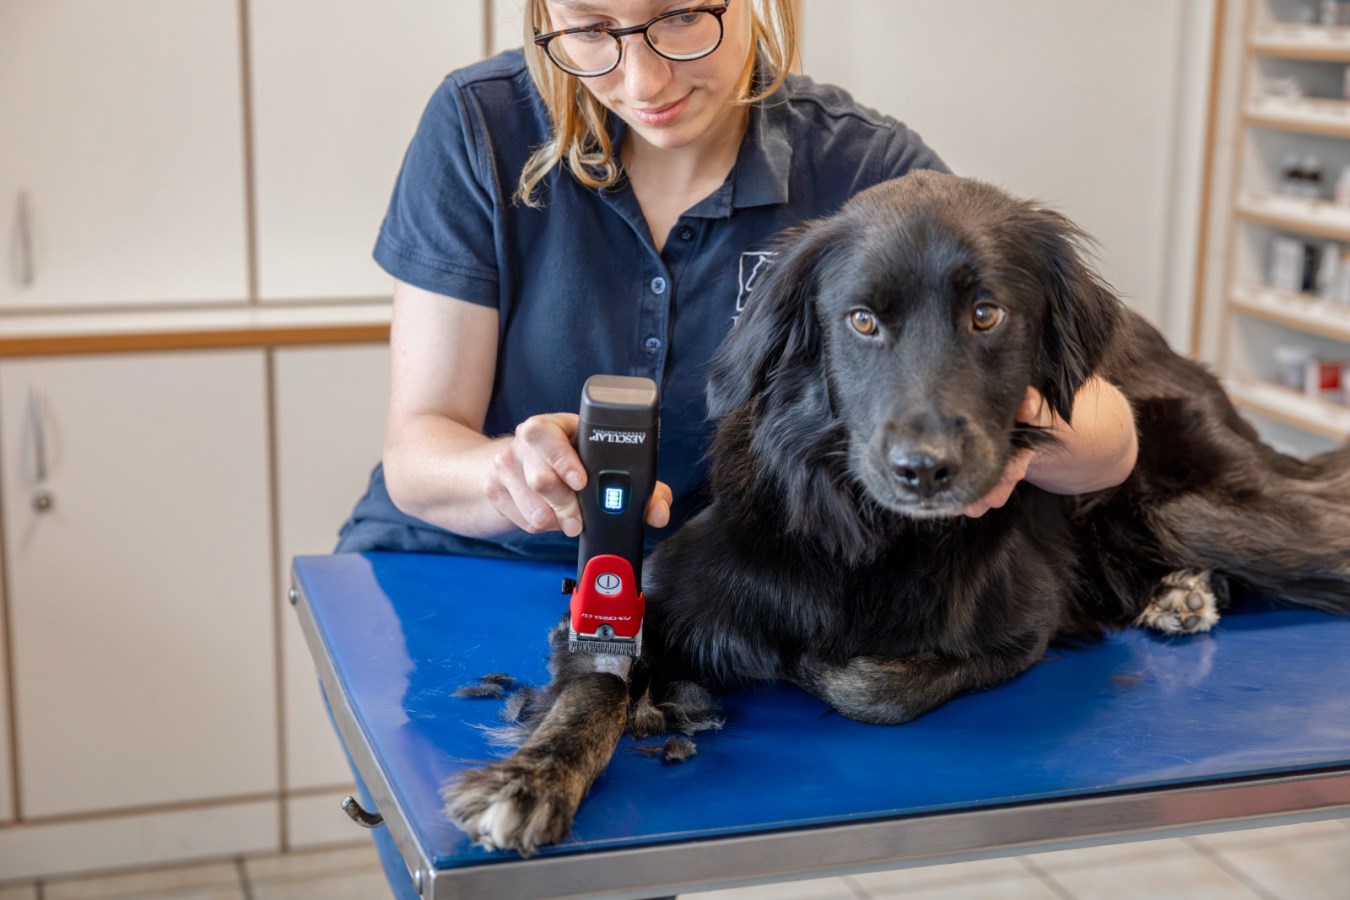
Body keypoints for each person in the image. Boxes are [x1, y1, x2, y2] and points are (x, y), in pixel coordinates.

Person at [334, 1, 1137, 892]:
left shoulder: (859, 164)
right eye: (591, 29)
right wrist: (506, 473)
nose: (642, 79)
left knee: (631, 865)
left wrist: (994, 441)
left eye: (681, 17)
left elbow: (1108, 440)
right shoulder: (481, 127)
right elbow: (417, 456)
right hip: (459, 569)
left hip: (702, 588)